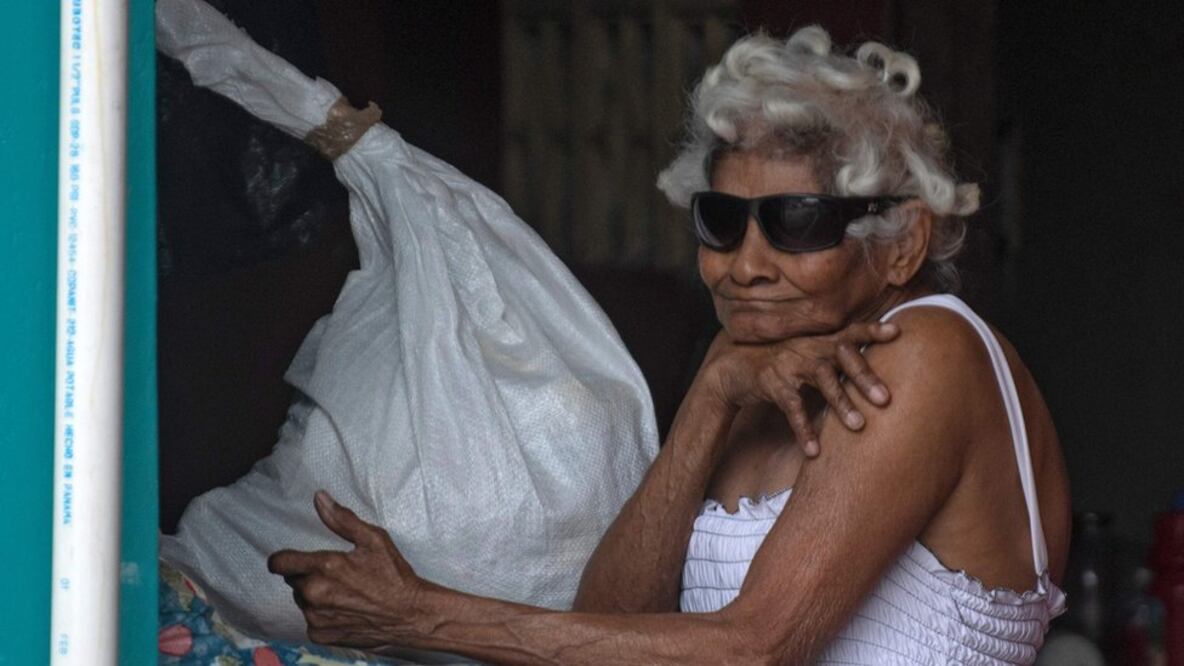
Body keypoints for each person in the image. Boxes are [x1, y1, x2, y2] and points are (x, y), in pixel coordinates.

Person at [268, 26, 1071, 664]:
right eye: (721, 222)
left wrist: (422, 615)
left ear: (900, 244)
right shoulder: (757, 367)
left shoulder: (930, 352)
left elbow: (757, 649)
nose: (745, 266)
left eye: (797, 224)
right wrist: (714, 393)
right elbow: (610, 628)